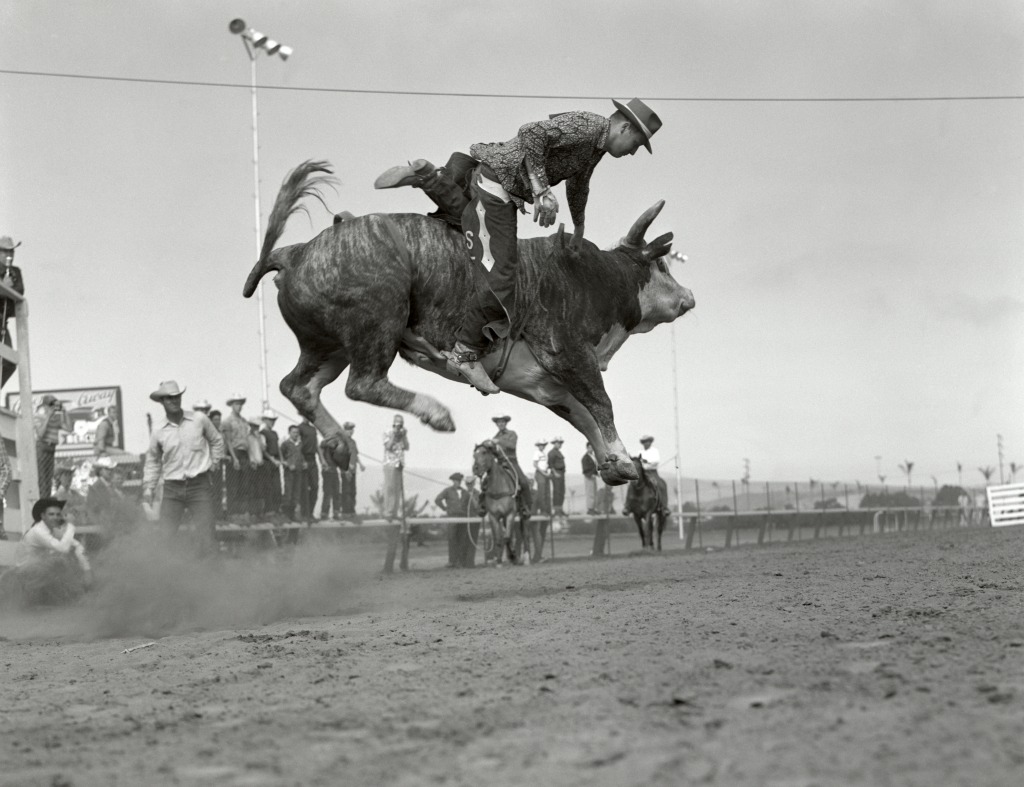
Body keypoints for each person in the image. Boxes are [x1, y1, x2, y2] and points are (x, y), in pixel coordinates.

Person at [375, 99, 662, 394]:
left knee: (465, 225)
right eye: (636, 143)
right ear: (625, 127)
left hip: (491, 178)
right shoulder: (588, 126)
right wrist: (540, 189)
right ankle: (466, 353)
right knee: (501, 275)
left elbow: (579, 185)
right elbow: (531, 133)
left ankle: (431, 178)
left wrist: (579, 227)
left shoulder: (594, 146)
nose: (632, 152)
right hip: (499, 187)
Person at [142, 380, 225, 553]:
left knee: (207, 534)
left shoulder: (198, 419)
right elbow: (153, 460)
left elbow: (217, 441)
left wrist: (215, 463)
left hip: (199, 485)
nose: (174, 401)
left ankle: (213, 576)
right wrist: (149, 488)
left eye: (177, 397)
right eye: (169, 398)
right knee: (166, 536)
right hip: (172, 488)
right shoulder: (158, 429)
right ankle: (169, 576)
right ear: (162, 402)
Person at [8, 497, 91, 605]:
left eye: (58, 514)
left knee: (63, 558)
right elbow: (64, 548)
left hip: (39, 567)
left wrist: (87, 570)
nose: (55, 517)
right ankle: (73, 597)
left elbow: (77, 545)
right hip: (26, 570)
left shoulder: (52, 530)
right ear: (43, 516)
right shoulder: (38, 531)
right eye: (51, 514)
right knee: (61, 560)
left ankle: (74, 595)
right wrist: (70, 525)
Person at [490, 414, 533, 516]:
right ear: (496, 424)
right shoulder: (494, 437)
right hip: (500, 463)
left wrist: (499, 441)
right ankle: (484, 506)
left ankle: (527, 506)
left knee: (523, 482)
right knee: (487, 482)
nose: (500, 424)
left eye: (502, 422)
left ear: (506, 423)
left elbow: (512, 446)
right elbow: (495, 452)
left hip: (511, 462)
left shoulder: (512, 434)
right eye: (499, 422)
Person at [0, 235, 25, 389]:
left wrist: (5, 288)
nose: (9, 255)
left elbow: (19, 291)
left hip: (3, 321)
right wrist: (4, 287)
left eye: (12, 252)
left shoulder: (15, 271)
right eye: (5, 252)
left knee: (9, 362)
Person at [34, 394, 71, 497]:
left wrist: (64, 412)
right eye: (50, 405)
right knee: (42, 476)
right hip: (42, 447)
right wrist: (48, 417)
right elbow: (40, 434)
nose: (52, 407)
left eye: (54, 405)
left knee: (49, 476)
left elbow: (69, 428)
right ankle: (42, 498)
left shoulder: (57, 419)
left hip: (52, 448)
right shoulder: (38, 417)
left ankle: (46, 497)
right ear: (45, 406)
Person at [221, 394, 251, 519]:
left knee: (244, 484)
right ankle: (232, 513)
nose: (239, 406)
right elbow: (228, 441)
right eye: (236, 404)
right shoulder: (227, 421)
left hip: (244, 453)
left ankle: (241, 513)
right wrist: (234, 458)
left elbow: (246, 439)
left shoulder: (244, 421)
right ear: (232, 405)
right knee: (233, 485)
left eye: (240, 404)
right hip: (234, 452)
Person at [437, 472, 473, 568]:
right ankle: (452, 561)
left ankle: (460, 562)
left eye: (459, 481)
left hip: (463, 518)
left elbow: (471, 503)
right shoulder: (447, 491)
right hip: (452, 518)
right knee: (452, 539)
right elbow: (438, 499)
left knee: (462, 540)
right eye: (455, 481)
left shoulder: (465, 492)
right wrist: (445, 509)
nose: (457, 482)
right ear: (453, 481)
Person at [382, 415, 409, 523]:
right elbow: (388, 446)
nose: (399, 426)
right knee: (390, 488)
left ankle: (394, 512)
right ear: (393, 423)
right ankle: (388, 512)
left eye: (401, 424)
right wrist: (394, 435)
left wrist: (404, 436)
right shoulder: (387, 432)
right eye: (397, 424)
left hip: (399, 464)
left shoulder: (403, 434)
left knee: (397, 489)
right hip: (390, 463)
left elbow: (406, 447)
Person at [280, 425, 307, 522]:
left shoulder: (300, 444)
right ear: (289, 433)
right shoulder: (285, 444)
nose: (296, 434)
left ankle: (293, 515)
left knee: (296, 492)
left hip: (299, 471)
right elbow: (281, 457)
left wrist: (304, 462)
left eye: (297, 432)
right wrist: (287, 464)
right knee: (289, 491)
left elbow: (301, 455)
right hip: (289, 472)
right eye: (293, 432)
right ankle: (286, 514)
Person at [638, 434, 669, 515]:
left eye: (647, 442)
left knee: (661, 485)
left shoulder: (654, 451)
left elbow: (656, 461)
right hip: (642, 473)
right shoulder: (640, 452)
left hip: (652, 472)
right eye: (644, 442)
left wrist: (646, 463)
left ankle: (664, 506)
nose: (646, 443)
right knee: (633, 484)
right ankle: (629, 505)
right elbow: (638, 462)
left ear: (650, 442)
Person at [259, 410, 283, 519]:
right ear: (264, 420)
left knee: (277, 487)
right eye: (270, 420)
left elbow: (277, 447)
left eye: (273, 420)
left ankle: (276, 510)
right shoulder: (262, 433)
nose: (272, 422)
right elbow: (263, 450)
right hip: (267, 462)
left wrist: (281, 460)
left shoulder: (274, 433)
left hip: (276, 462)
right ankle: (268, 511)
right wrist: (272, 460)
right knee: (268, 487)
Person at [339, 421, 364, 518]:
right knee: (346, 490)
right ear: (344, 430)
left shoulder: (353, 442)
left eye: (351, 430)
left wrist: (360, 464)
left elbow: (355, 454)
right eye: (348, 430)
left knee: (353, 491)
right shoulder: (342, 442)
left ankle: (351, 510)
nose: (350, 432)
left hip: (353, 470)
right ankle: (345, 511)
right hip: (346, 469)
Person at [297, 417, 320, 522]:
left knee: (315, 486)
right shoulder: (299, 428)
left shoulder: (313, 429)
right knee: (304, 488)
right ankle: (304, 513)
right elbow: (298, 446)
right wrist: (302, 460)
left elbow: (316, 445)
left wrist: (322, 459)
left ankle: (310, 512)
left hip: (313, 459)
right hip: (304, 459)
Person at [318, 436, 342, 520]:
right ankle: (324, 513)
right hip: (327, 470)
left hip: (334, 470)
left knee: (336, 491)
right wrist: (323, 462)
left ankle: (336, 512)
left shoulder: (336, 446)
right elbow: (320, 450)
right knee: (327, 492)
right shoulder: (324, 444)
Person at [533, 439, 552, 516]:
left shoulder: (544, 453)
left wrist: (547, 472)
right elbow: (535, 464)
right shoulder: (537, 453)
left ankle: (547, 510)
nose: (542, 446)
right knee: (542, 492)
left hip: (545, 473)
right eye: (541, 445)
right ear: (538, 446)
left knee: (546, 492)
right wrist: (543, 473)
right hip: (540, 474)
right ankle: (542, 510)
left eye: (543, 445)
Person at [548, 437, 567, 516]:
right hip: (556, 473)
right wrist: (555, 473)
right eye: (558, 443)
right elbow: (551, 464)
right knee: (557, 492)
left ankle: (560, 509)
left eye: (560, 443)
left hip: (561, 474)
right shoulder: (551, 453)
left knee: (562, 492)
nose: (560, 445)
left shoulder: (559, 452)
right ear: (554, 443)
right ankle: (556, 510)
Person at [582, 442, 599, 514]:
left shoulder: (593, 456)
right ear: (587, 448)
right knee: (590, 493)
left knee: (594, 492)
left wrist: (596, 473)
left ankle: (593, 508)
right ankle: (590, 509)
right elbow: (585, 469)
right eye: (589, 447)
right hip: (589, 477)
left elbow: (595, 466)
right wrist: (591, 474)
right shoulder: (585, 458)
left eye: (592, 447)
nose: (591, 449)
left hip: (593, 476)